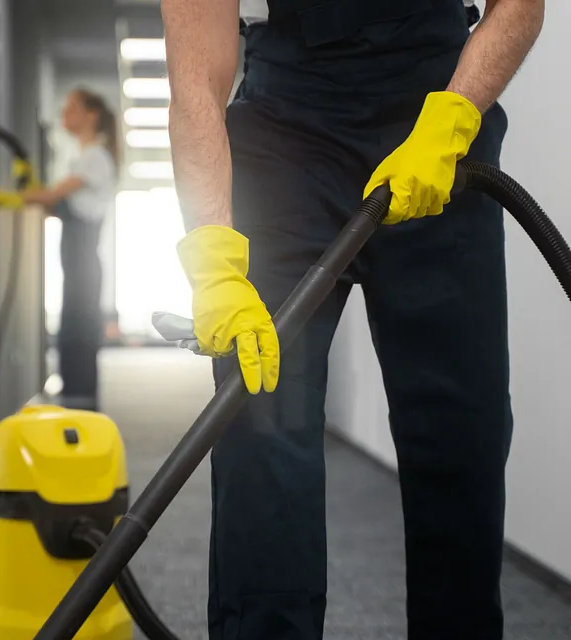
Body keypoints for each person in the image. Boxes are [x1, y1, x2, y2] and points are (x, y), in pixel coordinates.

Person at [162, 0, 545, 638]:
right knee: (261, 414)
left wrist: (453, 119)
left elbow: (521, 8)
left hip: (435, 108)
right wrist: (212, 259)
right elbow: (196, 79)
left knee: (459, 429)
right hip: (283, 128)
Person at [0, 88, 118, 412]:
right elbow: (56, 206)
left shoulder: (95, 157)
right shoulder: (83, 156)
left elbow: (52, 197)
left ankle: (82, 413)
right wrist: (29, 188)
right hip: (77, 263)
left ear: (91, 115)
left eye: (71, 108)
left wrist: (3, 196)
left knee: (78, 337)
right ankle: (76, 408)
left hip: (83, 264)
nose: (63, 114)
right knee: (71, 336)